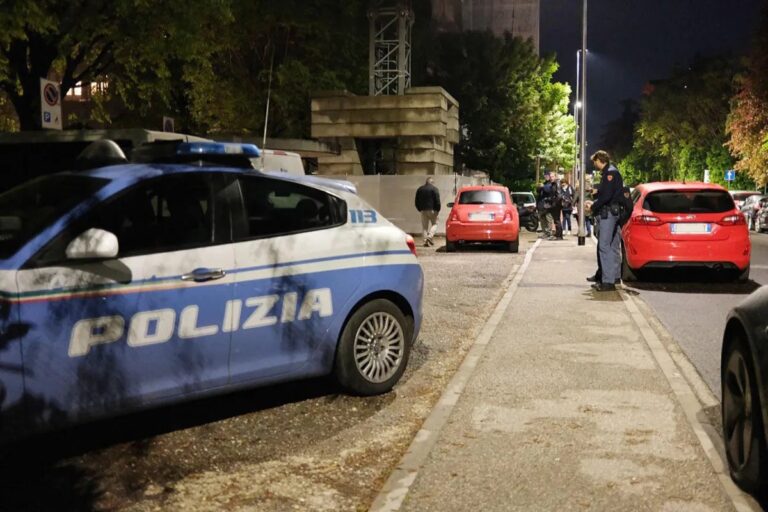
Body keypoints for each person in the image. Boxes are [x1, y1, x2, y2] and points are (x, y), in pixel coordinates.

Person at [588, 150, 624, 291]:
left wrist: (593, 205)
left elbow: (607, 196)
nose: (595, 164)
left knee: (604, 246)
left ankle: (608, 282)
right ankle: (615, 276)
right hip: (615, 212)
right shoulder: (613, 171)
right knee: (614, 245)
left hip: (608, 213)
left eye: (595, 161)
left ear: (599, 160)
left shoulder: (609, 173)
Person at [414, 177, 441, 246]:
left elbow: (416, 201)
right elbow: (437, 200)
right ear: (431, 182)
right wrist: (438, 209)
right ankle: (430, 236)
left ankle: (425, 241)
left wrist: (419, 209)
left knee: (424, 227)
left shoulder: (420, 189)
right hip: (432, 210)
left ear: (426, 182)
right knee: (435, 224)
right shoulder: (434, 189)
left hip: (423, 210)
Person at [536, 172, 556, 239]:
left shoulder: (552, 184)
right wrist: (539, 187)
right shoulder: (544, 183)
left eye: (548, 175)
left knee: (548, 219)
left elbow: (549, 191)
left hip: (548, 204)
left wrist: (543, 187)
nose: (546, 177)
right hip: (541, 205)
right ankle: (545, 232)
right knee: (542, 219)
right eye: (545, 175)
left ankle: (549, 233)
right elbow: (538, 192)